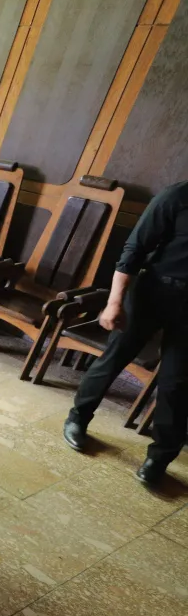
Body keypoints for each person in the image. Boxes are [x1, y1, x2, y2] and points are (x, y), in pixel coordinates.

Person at [63, 180, 188, 486]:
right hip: (153, 292)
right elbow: (135, 249)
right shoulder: (177, 196)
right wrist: (114, 302)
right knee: (114, 358)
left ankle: (159, 459)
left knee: (176, 383)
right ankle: (78, 418)